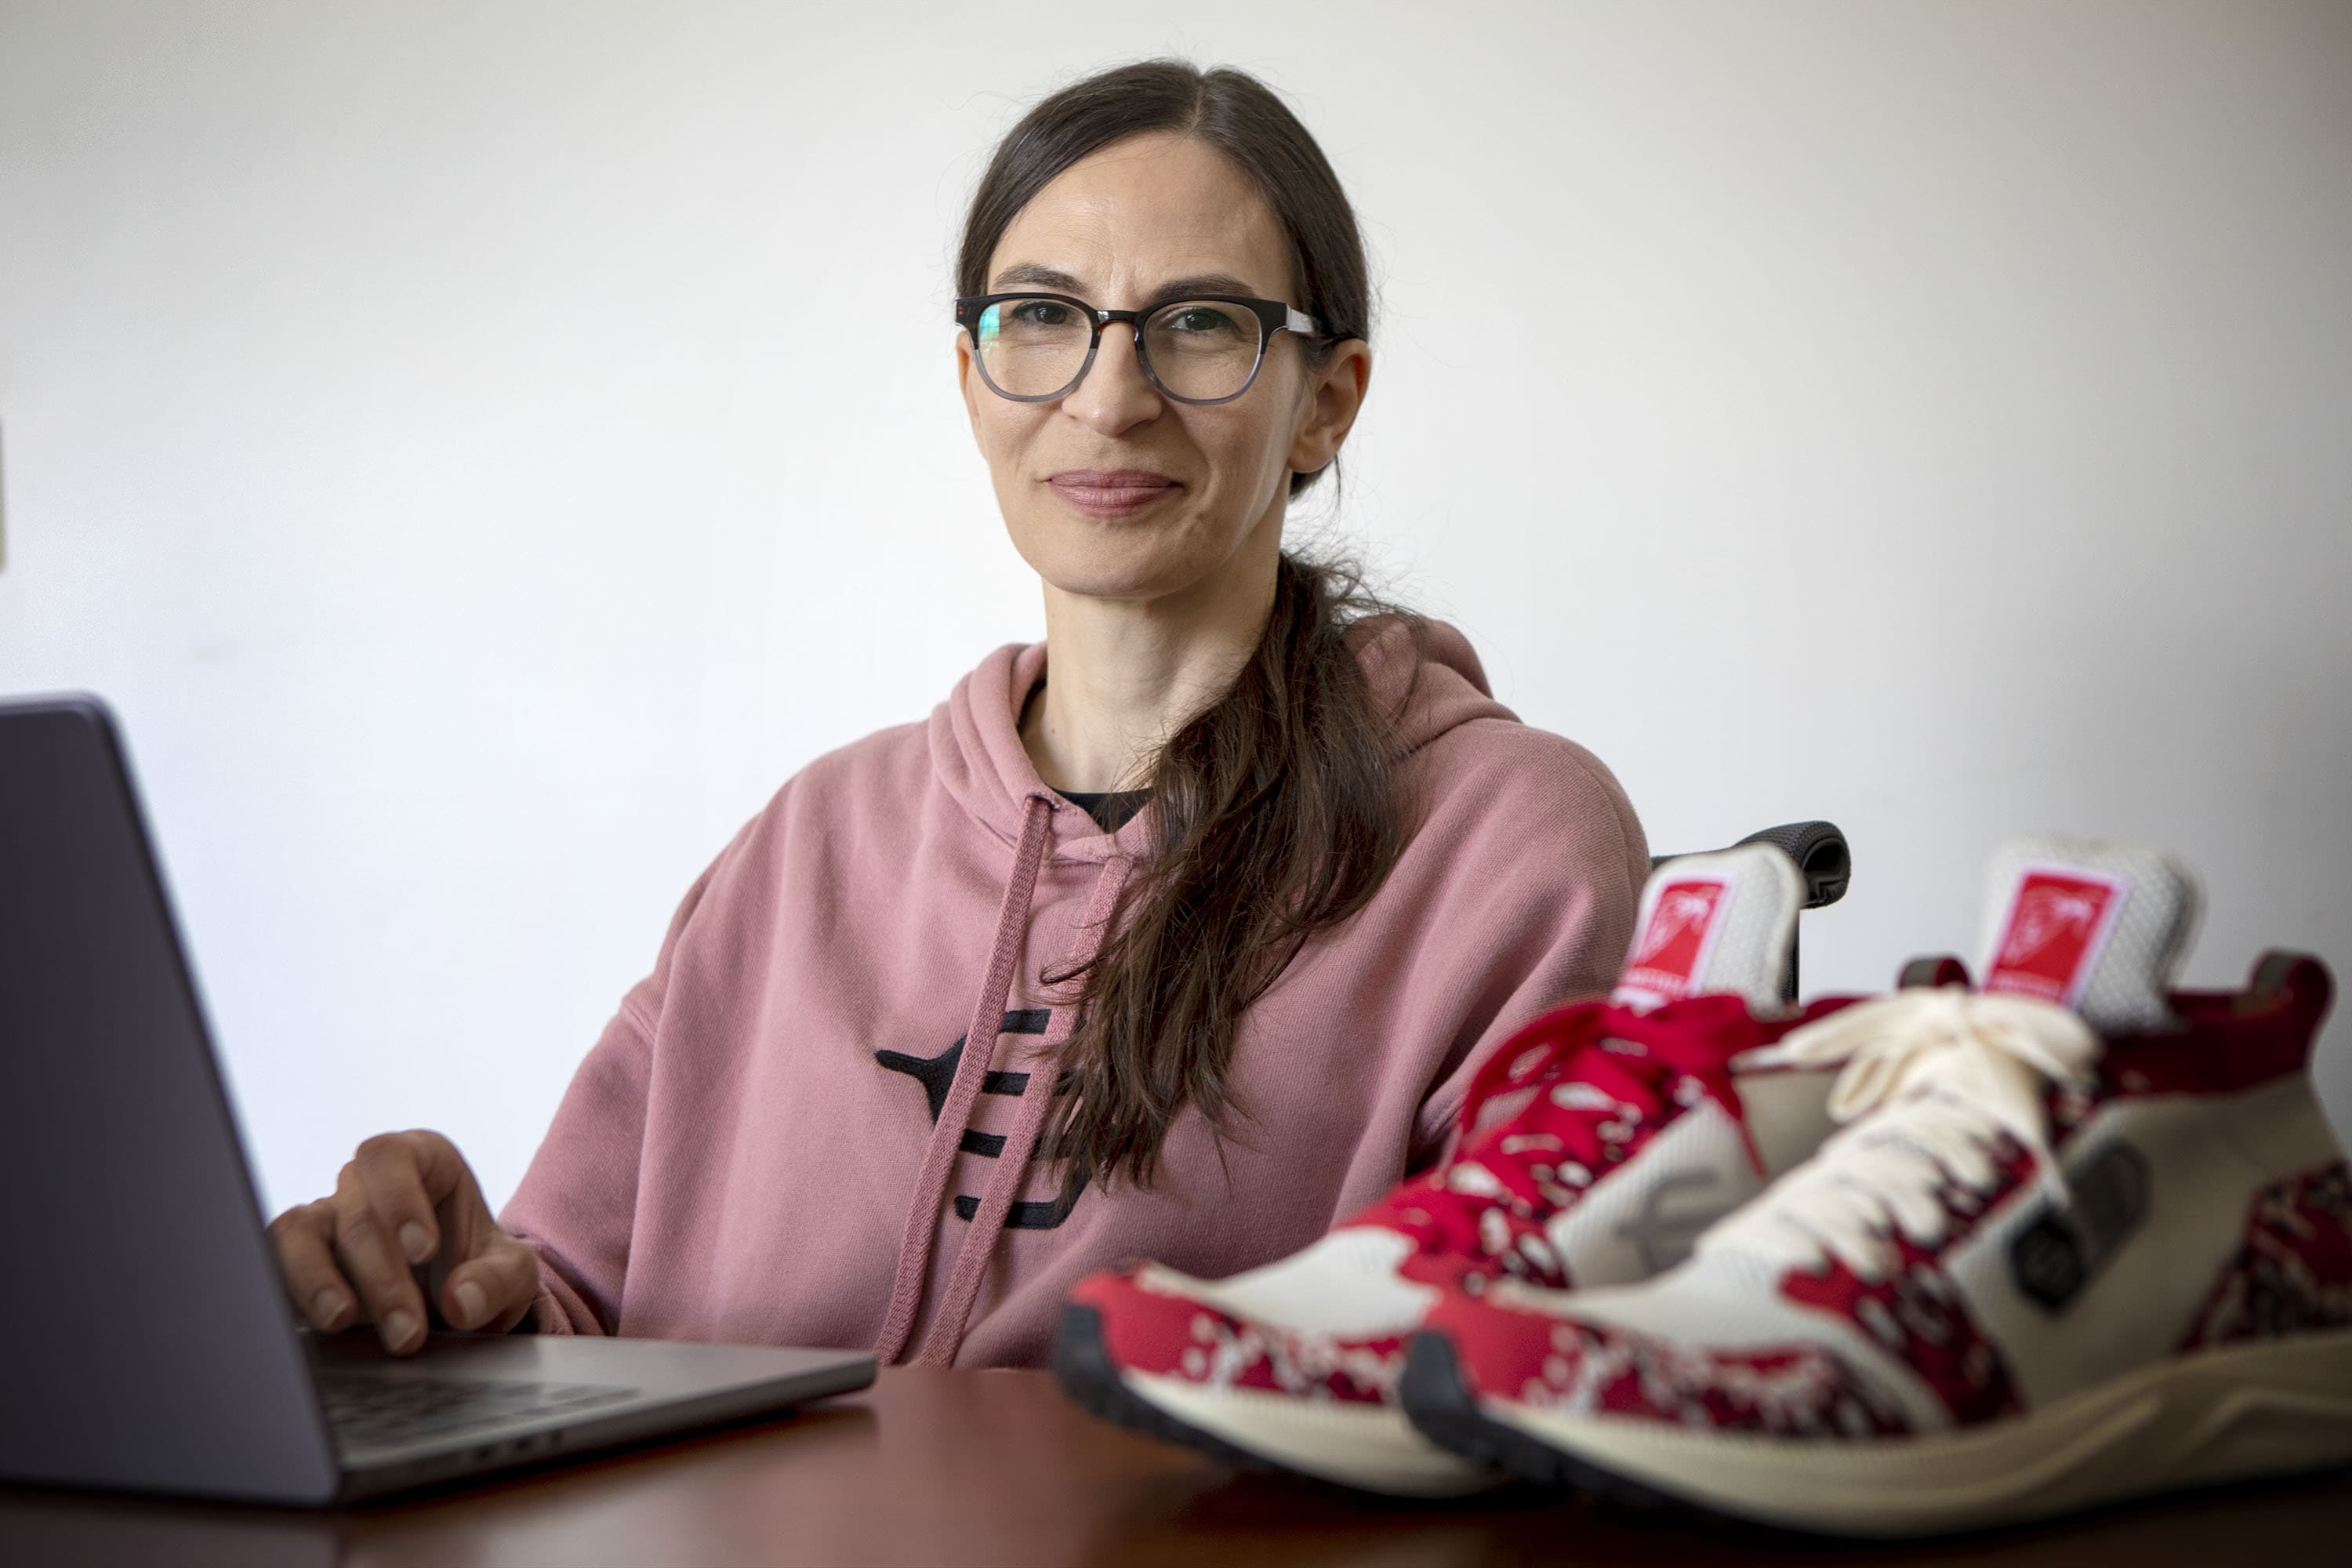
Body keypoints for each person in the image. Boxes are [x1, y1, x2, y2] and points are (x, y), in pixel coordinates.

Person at [267, 60, 1650, 1371]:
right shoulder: (808, 845)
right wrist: (447, 1312)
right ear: (972, 378)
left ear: (1325, 404)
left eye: (1202, 323)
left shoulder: (1502, 844)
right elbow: (575, 1309)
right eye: (1042, 316)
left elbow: (1515, 1378)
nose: (1109, 398)